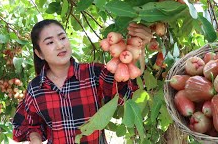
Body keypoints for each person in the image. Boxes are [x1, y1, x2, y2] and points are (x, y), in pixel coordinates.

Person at [12, 19, 153, 144]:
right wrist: (35, 138)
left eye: (62, 38)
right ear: (39, 53)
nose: (60, 45)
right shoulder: (36, 88)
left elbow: (129, 92)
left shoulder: (93, 73)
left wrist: (138, 48)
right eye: (50, 42)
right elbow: (26, 124)